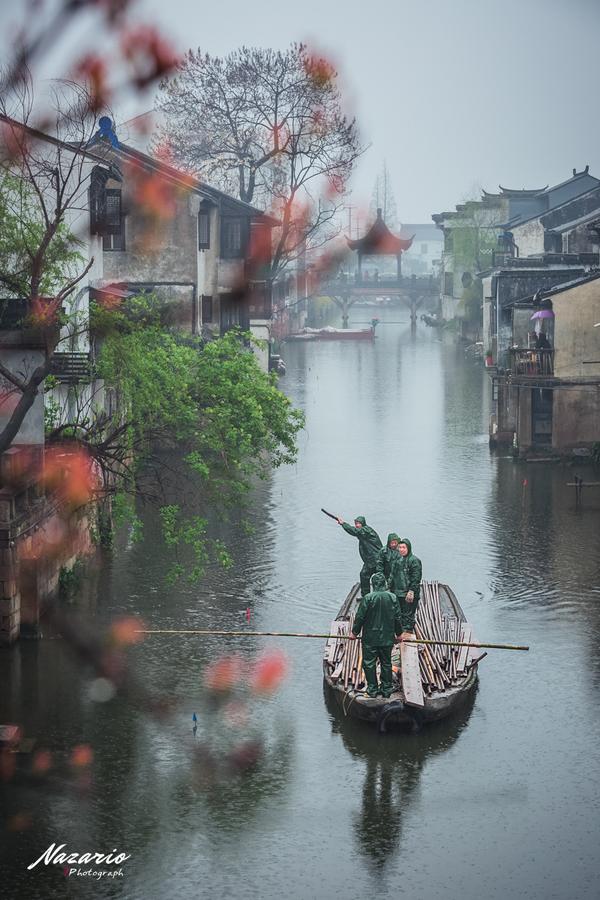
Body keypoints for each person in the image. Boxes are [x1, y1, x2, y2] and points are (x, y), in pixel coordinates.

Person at [351, 573, 401, 698]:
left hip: (370, 638)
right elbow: (397, 618)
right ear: (384, 583)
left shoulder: (368, 598)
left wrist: (354, 632)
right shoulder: (393, 597)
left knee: (369, 663)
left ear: (373, 584)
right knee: (386, 663)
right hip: (387, 638)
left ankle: (372, 689)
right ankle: (386, 689)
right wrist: (399, 634)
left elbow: (360, 617)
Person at [337, 515, 383, 597]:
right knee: (365, 574)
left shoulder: (365, 530)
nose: (357, 525)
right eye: (356, 523)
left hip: (375, 560)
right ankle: (366, 596)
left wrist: (343, 524)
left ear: (363, 523)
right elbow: (355, 531)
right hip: (371, 560)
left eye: (358, 523)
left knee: (370, 574)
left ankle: (374, 595)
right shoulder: (363, 532)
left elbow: (354, 531)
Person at [391, 538, 423, 639]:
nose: (401, 549)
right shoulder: (397, 560)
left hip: (409, 592)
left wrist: (412, 591)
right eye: (400, 547)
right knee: (398, 614)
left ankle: (407, 633)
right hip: (398, 592)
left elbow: (416, 577)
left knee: (408, 615)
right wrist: (388, 587)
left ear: (408, 548)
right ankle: (399, 633)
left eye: (404, 547)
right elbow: (392, 575)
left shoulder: (414, 561)